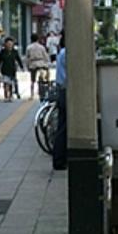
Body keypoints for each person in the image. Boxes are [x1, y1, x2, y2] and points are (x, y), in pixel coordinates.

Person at [52, 35, 67, 170]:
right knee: (63, 127)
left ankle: (59, 158)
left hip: (61, 90)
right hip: (66, 91)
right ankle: (59, 159)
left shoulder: (61, 52)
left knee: (62, 125)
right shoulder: (67, 53)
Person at [0, 37, 24, 101]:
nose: (9, 45)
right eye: (8, 44)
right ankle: (6, 96)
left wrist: (22, 67)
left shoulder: (14, 52)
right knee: (6, 83)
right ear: (5, 44)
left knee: (11, 83)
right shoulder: (3, 51)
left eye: (11, 44)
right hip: (5, 69)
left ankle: (10, 95)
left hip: (12, 69)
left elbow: (18, 60)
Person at [26, 34, 49, 99]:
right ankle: (42, 93)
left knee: (32, 80)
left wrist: (27, 66)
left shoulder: (29, 47)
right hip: (41, 64)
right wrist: (46, 63)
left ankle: (32, 94)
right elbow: (46, 56)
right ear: (37, 39)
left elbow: (27, 57)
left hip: (33, 64)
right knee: (42, 79)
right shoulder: (41, 47)